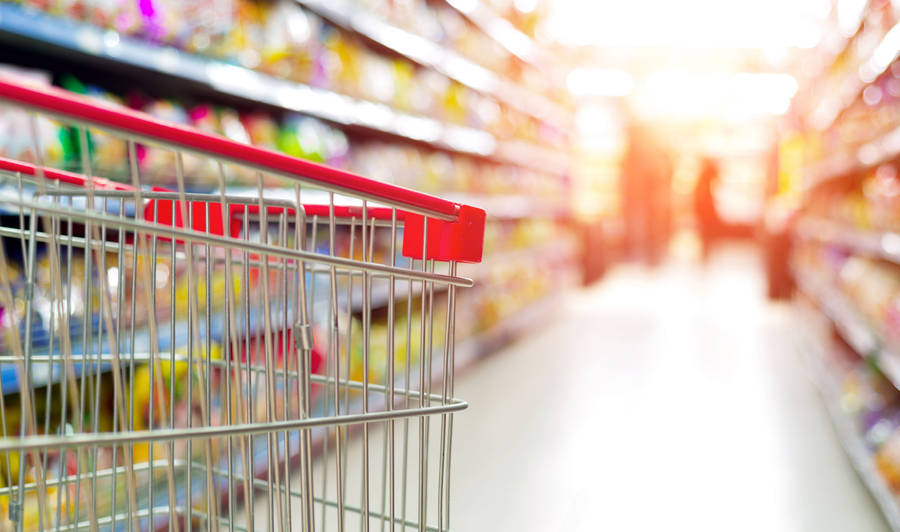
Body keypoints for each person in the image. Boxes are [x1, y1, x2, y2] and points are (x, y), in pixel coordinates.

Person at [693, 157, 722, 260]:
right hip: (705, 212)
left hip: (706, 212)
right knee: (706, 233)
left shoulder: (704, 180)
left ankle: (706, 251)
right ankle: (706, 251)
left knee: (706, 233)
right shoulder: (704, 181)